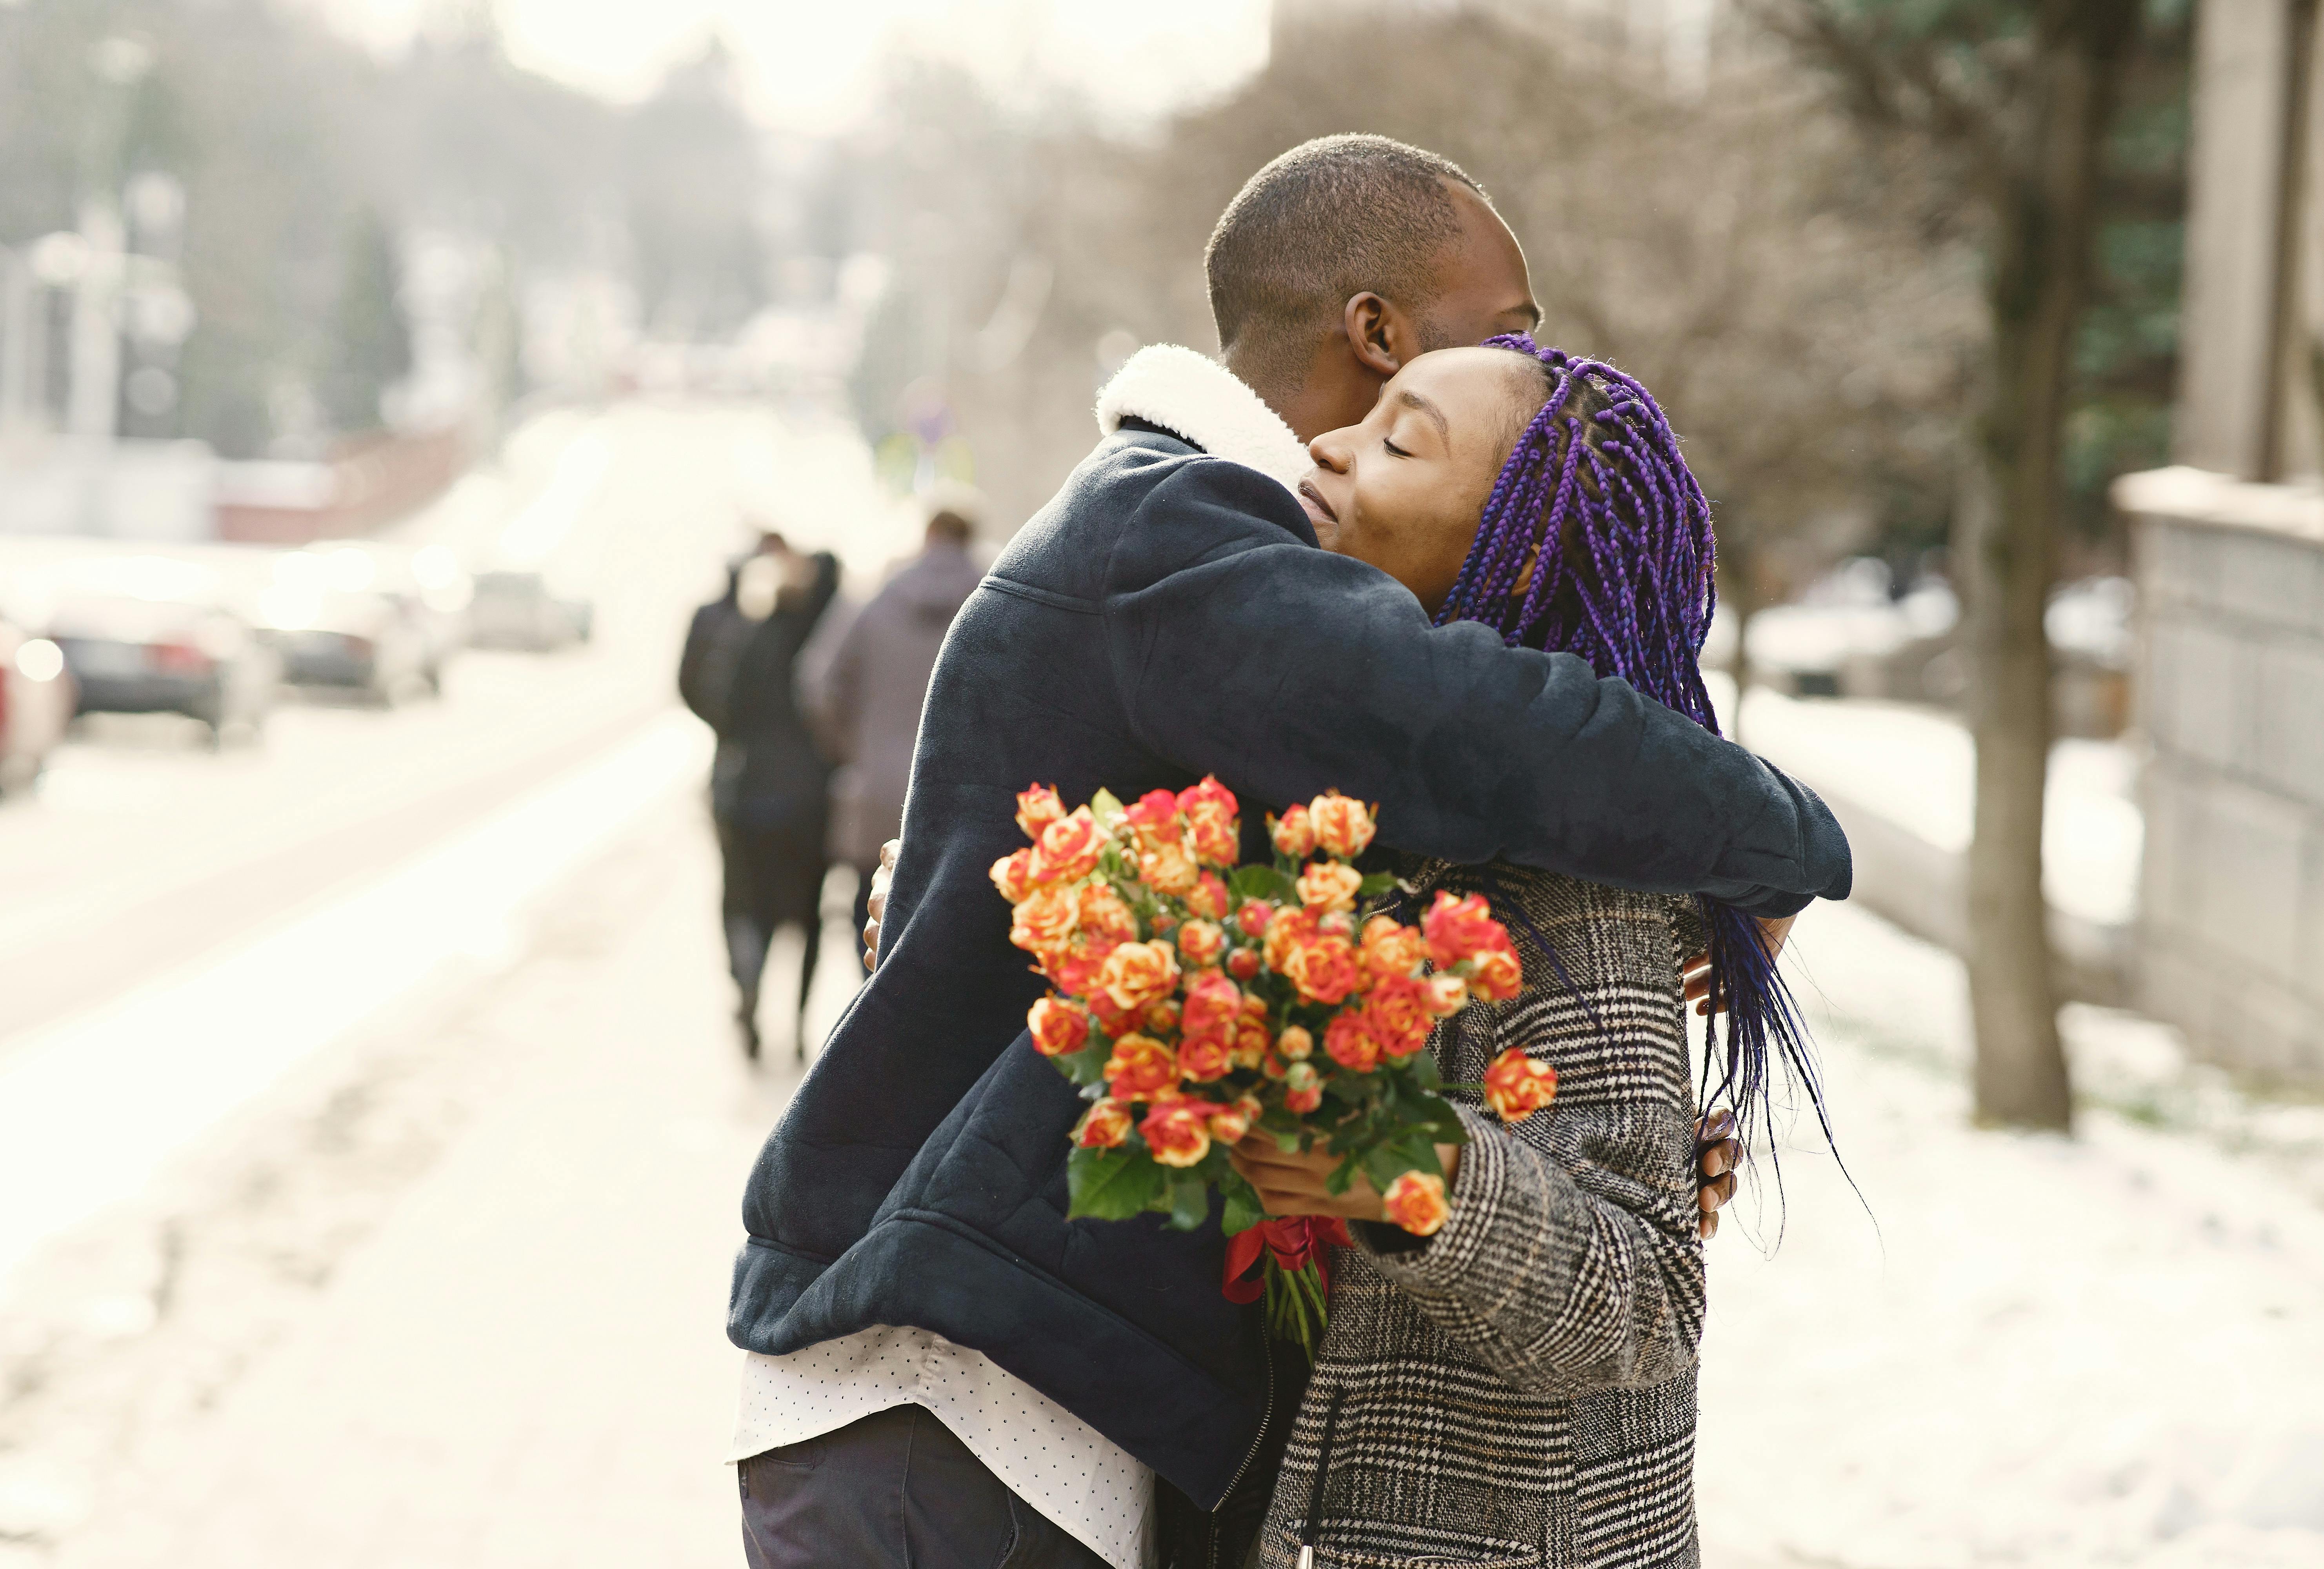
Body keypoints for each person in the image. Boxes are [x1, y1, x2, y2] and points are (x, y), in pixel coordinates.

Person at [729, 136, 1848, 1569]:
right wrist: (1784, 841)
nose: (1538, 353)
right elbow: (1497, 728)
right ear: (1375, 331)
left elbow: (1599, 1242)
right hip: (953, 1382)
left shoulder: (1217, 581)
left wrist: (1552, 1144)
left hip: (1023, 1402)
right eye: (1509, 329)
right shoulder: (1181, 530)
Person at [1226, 338, 1815, 1567]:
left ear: (1522, 551)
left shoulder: (1570, 886)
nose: (1327, 446)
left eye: (1398, 438)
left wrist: (1399, 1162)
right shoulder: (1361, 801)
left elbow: (1645, 1294)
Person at [678, 533, 841, 1062]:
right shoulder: (823, 638)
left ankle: (749, 987)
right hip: (810, 797)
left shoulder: (752, 637)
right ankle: (796, 1029)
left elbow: (716, 700)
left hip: (746, 794)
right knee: (808, 914)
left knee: (748, 906)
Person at [798, 503, 986, 932]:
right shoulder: (997, 599)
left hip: (877, 785)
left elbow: (819, 683)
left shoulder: (877, 598)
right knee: (946, 922)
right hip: (960, 796)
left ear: (928, 535)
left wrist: (852, 748)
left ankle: (870, 995)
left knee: (869, 907)